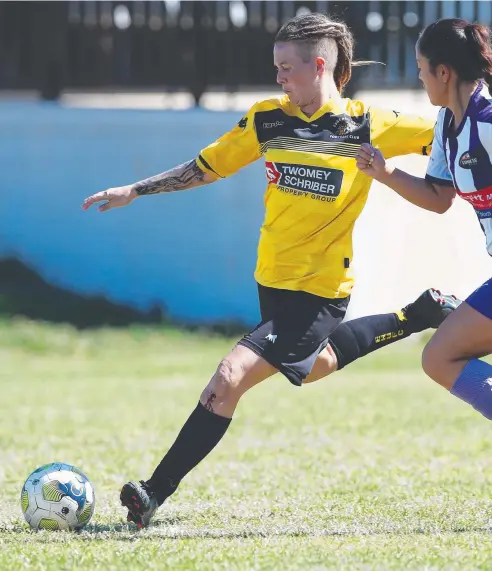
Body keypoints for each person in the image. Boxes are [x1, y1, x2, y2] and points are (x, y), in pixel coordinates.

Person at [82, 13, 459, 529]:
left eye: (286, 68)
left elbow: (450, 127)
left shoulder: (368, 124)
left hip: (321, 289)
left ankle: (152, 493)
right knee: (313, 365)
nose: (278, 77)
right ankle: (421, 311)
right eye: (276, 68)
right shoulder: (267, 119)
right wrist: (136, 190)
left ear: (319, 65)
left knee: (228, 377)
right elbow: (205, 166)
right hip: (271, 282)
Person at [356, 18, 492, 422]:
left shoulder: (488, 120)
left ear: (443, 72)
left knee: (441, 356)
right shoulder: (448, 125)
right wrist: (384, 173)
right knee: (440, 357)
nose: (419, 77)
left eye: (420, 68)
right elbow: (438, 198)